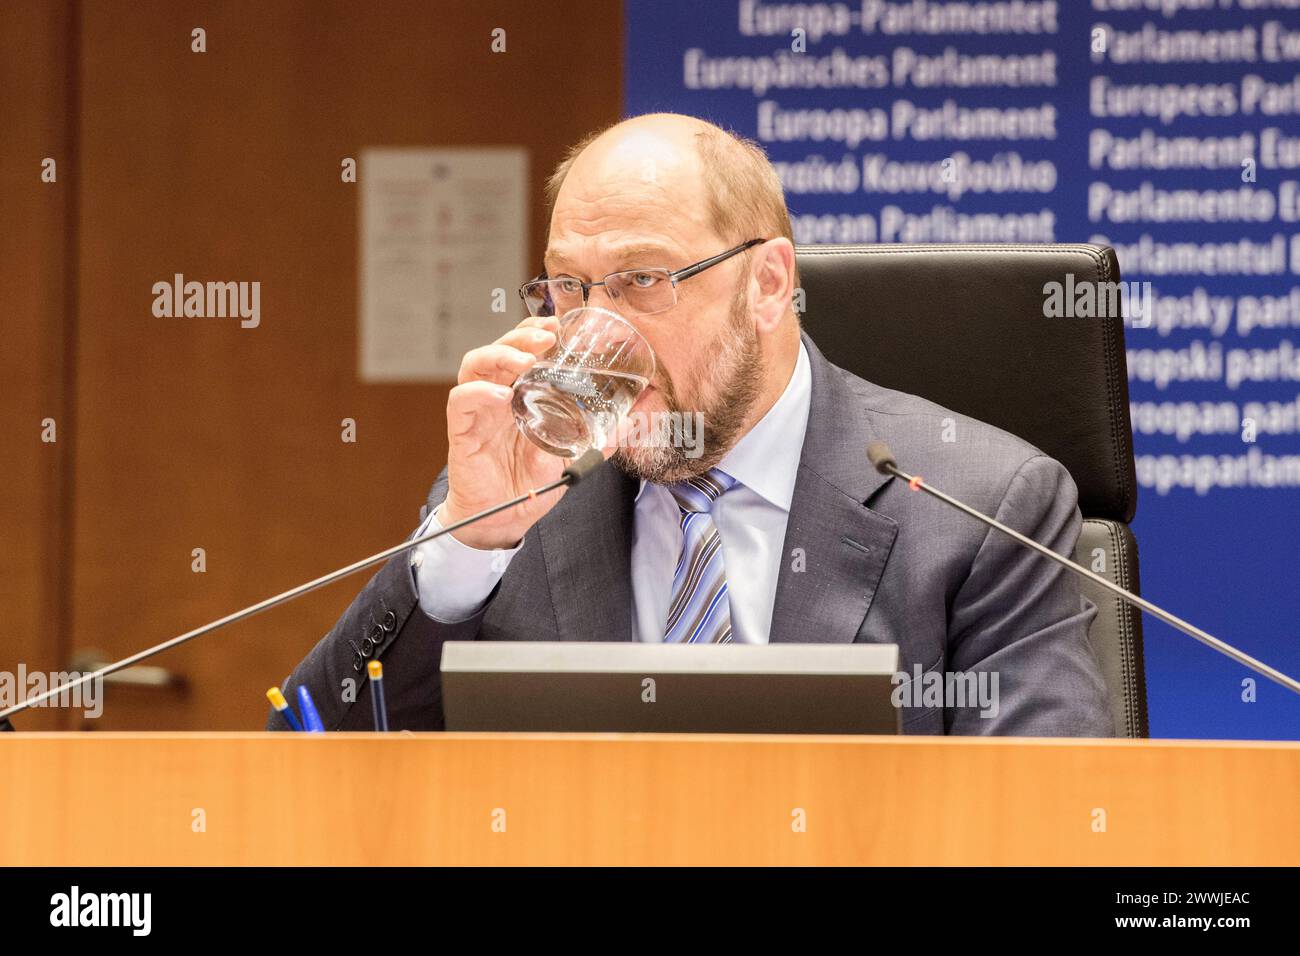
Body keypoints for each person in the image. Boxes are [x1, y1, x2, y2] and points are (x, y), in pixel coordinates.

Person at [271, 112, 1113, 735]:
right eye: (568, 286)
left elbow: (1045, 818)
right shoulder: (519, 503)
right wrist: (466, 542)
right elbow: (308, 760)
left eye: (642, 279)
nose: (597, 331)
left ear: (769, 285)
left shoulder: (982, 506)